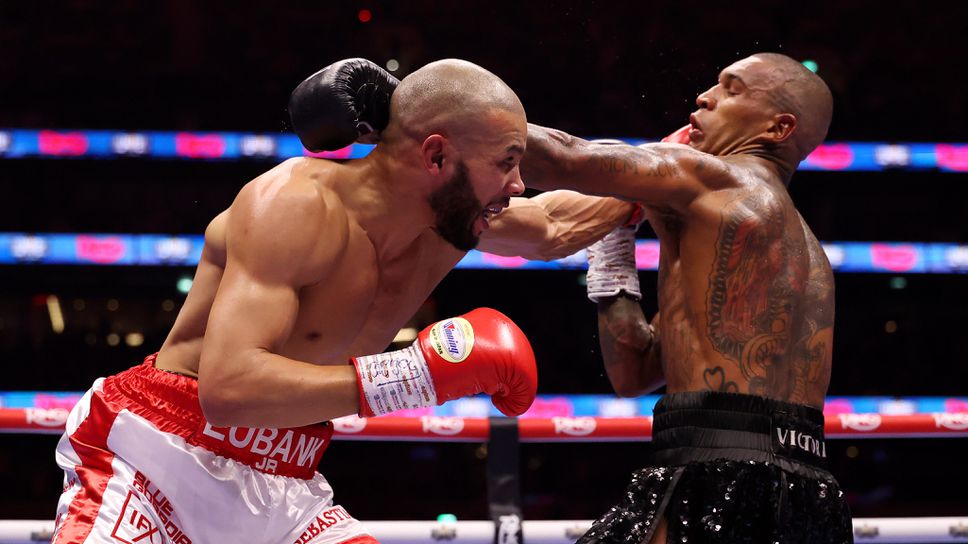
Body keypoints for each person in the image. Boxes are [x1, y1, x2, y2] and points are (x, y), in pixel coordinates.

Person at [51, 59, 638, 544]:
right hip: (156, 456)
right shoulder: (296, 205)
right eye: (506, 162)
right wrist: (413, 376)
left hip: (285, 479)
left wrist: (672, 163)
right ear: (436, 157)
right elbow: (227, 390)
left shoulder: (452, 221)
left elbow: (557, 225)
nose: (518, 185)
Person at [520, 53, 852, 543]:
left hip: (715, 473)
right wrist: (613, 253)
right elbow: (635, 372)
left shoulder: (710, 176)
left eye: (732, 89)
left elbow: (560, 156)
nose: (704, 97)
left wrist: (422, 109)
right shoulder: (811, 259)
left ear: (778, 127)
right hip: (812, 493)